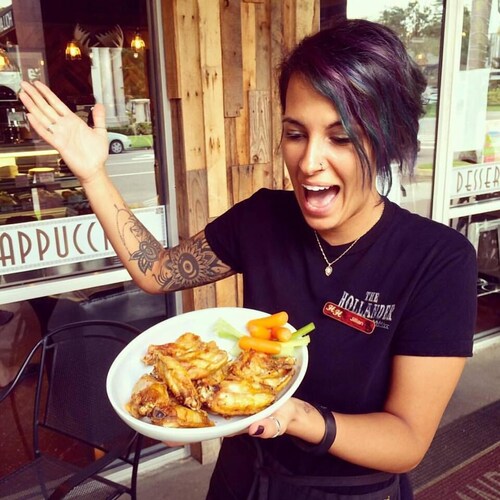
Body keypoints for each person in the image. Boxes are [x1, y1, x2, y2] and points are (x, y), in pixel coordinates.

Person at [19, 18, 477, 500]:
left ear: (391, 139)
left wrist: (296, 417)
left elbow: (406, 441)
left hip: (348, 491)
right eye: (295, 133)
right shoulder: (262, 218)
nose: (309, 162)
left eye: (341, 138)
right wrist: (93, 175)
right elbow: (158, 272)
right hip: (241, 480)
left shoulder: (438, 260)